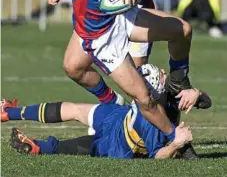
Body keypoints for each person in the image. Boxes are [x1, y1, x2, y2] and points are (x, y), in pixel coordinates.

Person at [65, 0, 202, 140]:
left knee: (183, 30)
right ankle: (174, 137)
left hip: (120, 17)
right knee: (144, 98)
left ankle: (179, 80)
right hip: (102, 40)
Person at [2, 67, 201, 159]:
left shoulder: (159, 99)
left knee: (75, 110)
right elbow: (158, 156)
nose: (165, 73)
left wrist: (196, 93)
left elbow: (205, 101)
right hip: (119, 142)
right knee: (80, 145)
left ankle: (9, 112)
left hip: (118, 117)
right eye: (162, 74)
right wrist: (177, 143)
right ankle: (40, 147)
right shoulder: (151, 120)